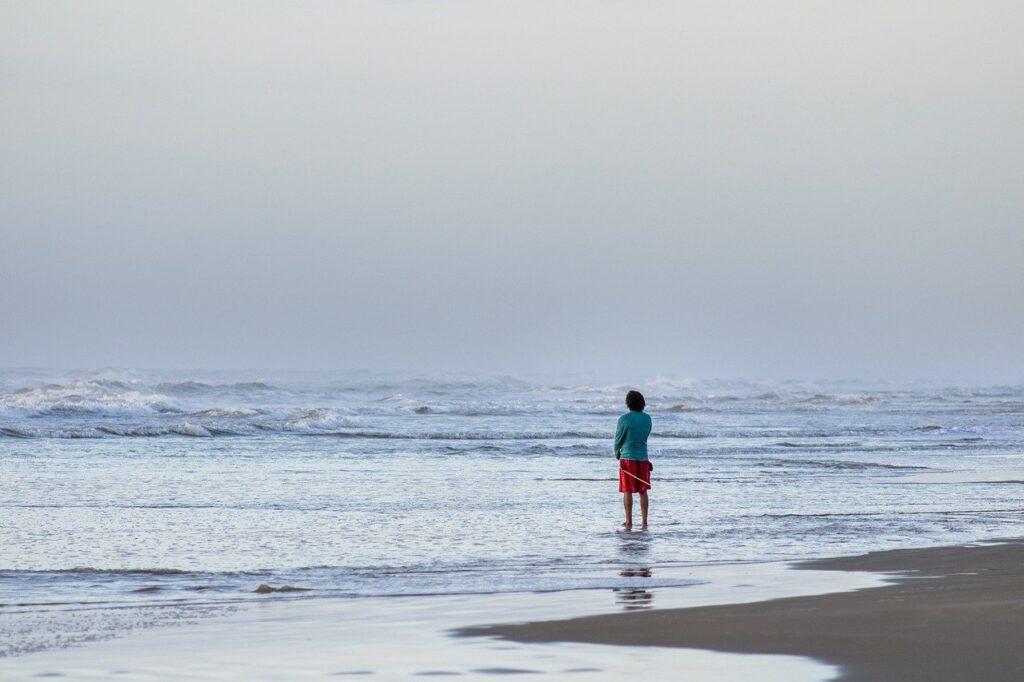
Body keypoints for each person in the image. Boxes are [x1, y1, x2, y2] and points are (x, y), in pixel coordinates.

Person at [614, 390, 652, 530]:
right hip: (643, 458)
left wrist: (617, 453)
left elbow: (618, 439)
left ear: (628, 403)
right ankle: (644, 522)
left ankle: (628, 521)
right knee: (643, 490)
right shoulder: (647, 418)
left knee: (627, 490)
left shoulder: (623, 419)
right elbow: (646, 435)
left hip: (627, 459)